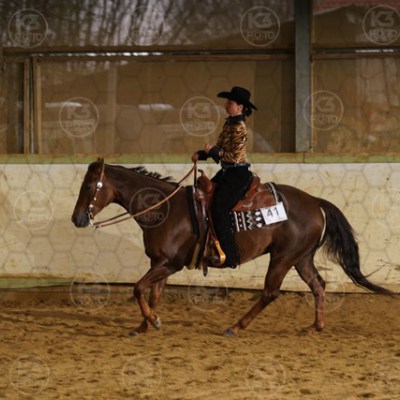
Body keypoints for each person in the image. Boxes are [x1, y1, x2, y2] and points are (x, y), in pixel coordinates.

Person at [192, 86, 257, 268]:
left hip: (238, 174)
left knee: (220, 207)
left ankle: (229, 256)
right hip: (228, 172)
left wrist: (213, 152)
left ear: (240, 107)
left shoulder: (239, 127)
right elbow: (220, 148)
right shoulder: (229, 124)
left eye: (230, 102)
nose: (226, 105)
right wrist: (203, 154)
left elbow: (234, 157)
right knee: (203, 197)